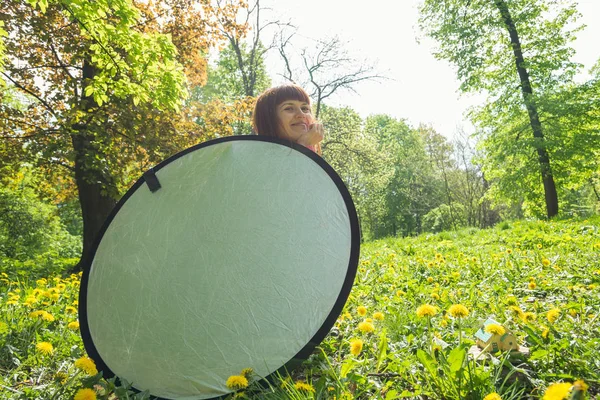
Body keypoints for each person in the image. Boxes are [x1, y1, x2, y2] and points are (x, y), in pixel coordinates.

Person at [252, 84, 324, 155]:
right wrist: (302, 145)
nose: (301, 114)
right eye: (289, 108)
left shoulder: (311, 150)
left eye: (304, 108)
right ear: (268, 119)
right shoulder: (259, 157)